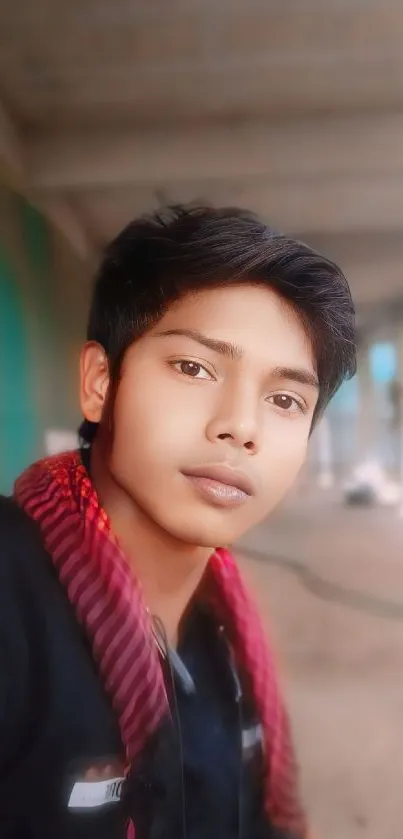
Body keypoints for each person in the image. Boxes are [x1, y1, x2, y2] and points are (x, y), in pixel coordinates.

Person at [0, 204, 356, 839]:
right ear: (100, 382)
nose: (240, 427)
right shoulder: (12, 605)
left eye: (284, 399)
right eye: (194, 367)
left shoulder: (223, 636)